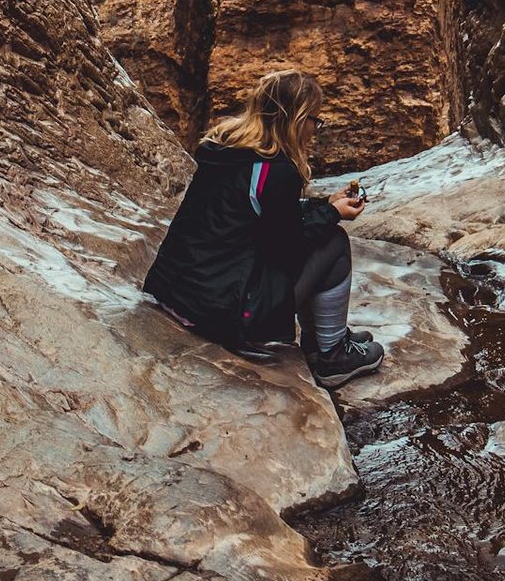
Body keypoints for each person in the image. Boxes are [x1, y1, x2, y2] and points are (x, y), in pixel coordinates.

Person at [142, 67, 385, 389]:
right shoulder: (276, 170)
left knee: (323, 228)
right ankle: (331, 356)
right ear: (296, 119)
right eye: (315, 119)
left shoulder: (223, 149)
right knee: (333, 242)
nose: (316, 128)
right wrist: (331, 215)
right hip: (220, 312)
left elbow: (257, 216)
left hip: (179, 294)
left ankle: (328, 338)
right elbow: (287, 248)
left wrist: (323, 205)